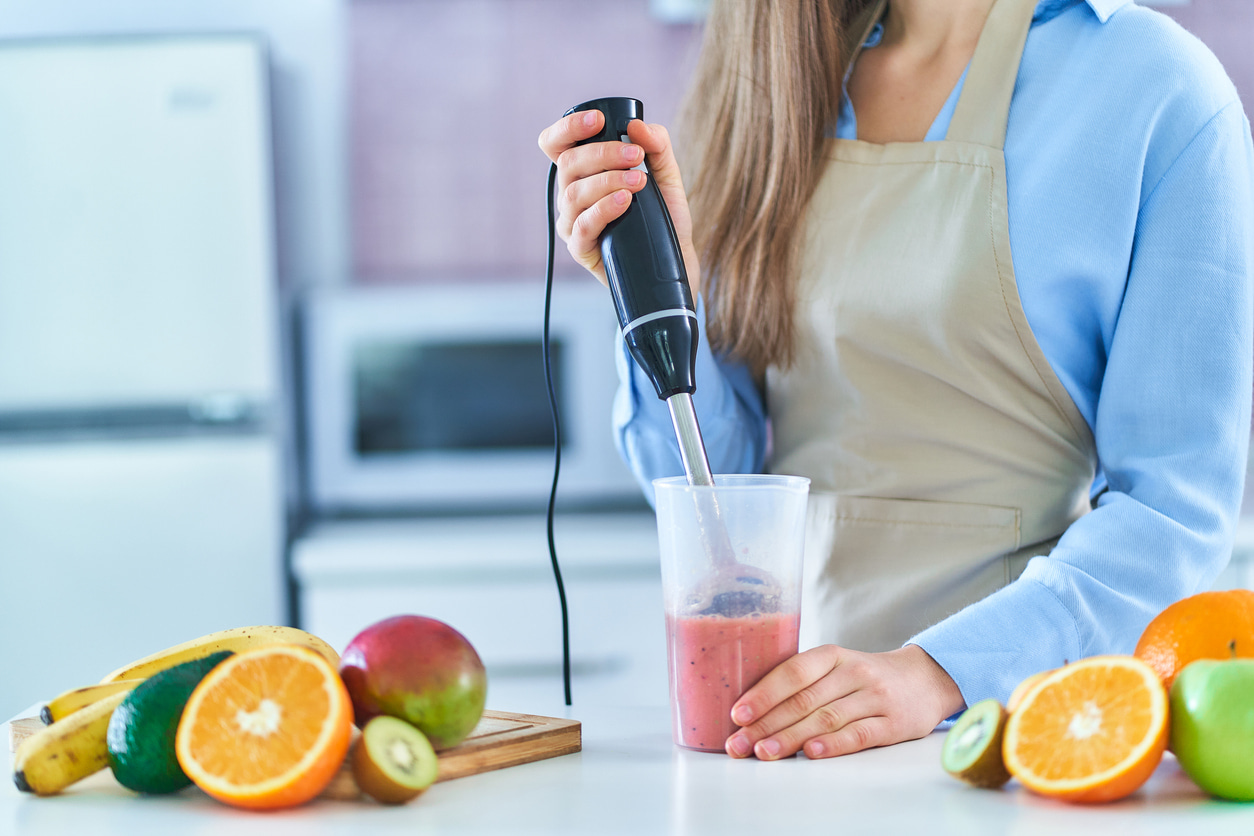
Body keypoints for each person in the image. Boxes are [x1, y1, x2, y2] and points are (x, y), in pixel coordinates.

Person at [538, 0, 1254, 762]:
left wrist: (936, 673)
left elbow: (1174, 513)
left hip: (1008, 742)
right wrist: (662, 298)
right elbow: (716, 501)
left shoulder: (1153, 87)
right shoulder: (774, 82)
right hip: (775, 740)